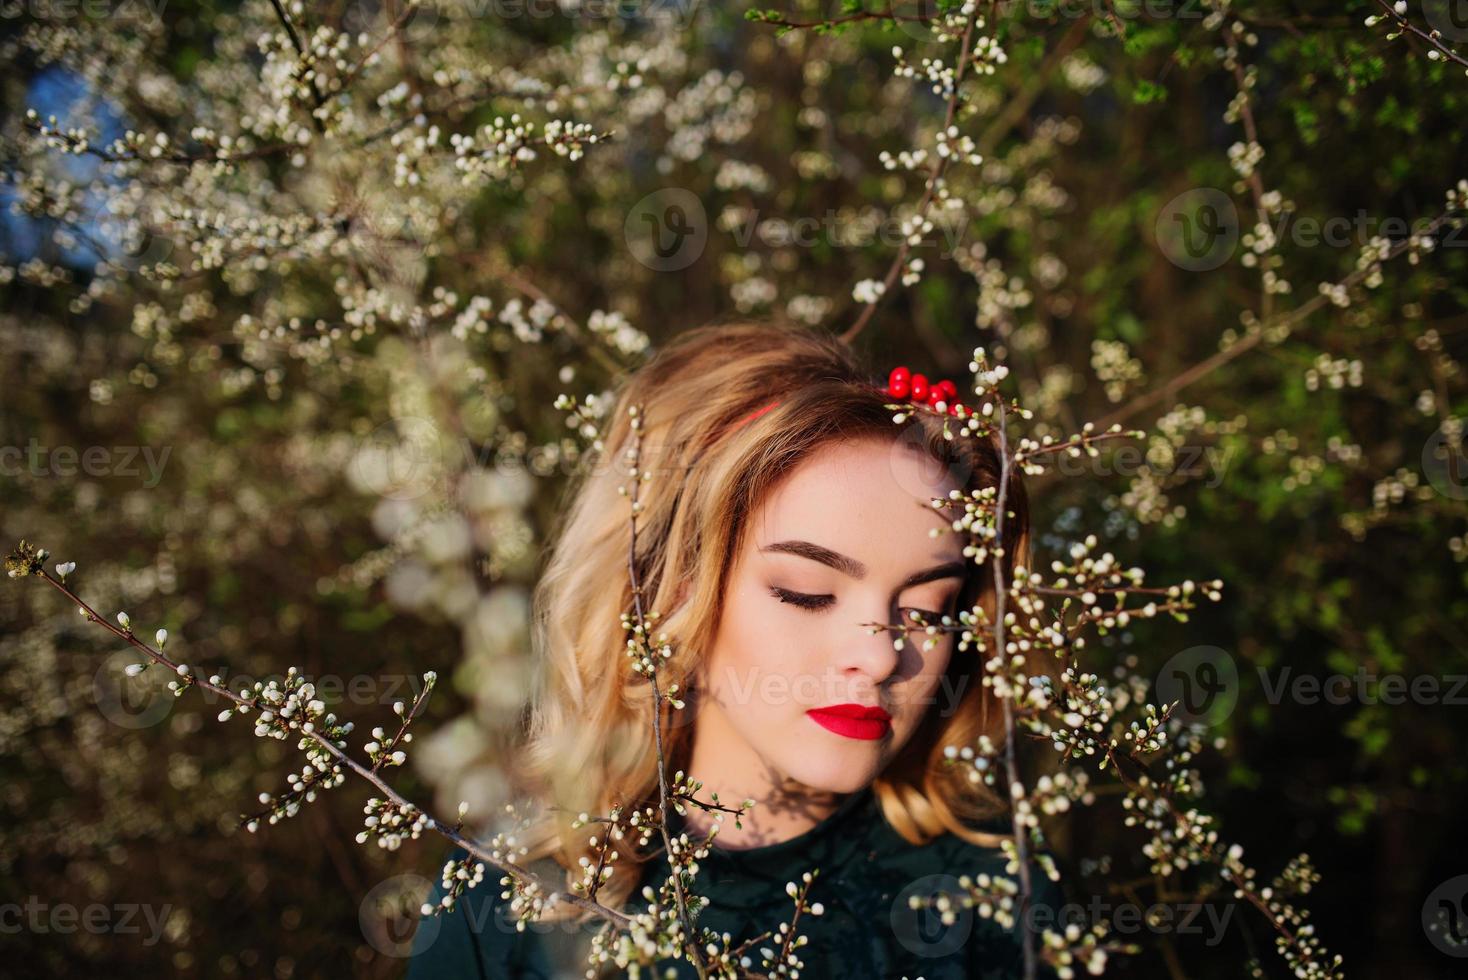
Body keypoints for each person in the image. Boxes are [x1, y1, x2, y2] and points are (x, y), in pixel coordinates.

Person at [406, 321, 1063, 978]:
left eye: (928, 610)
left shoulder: (993, 898)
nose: (884, 656)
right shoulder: (506, 899)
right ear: (672, 594)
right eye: (807, 593)